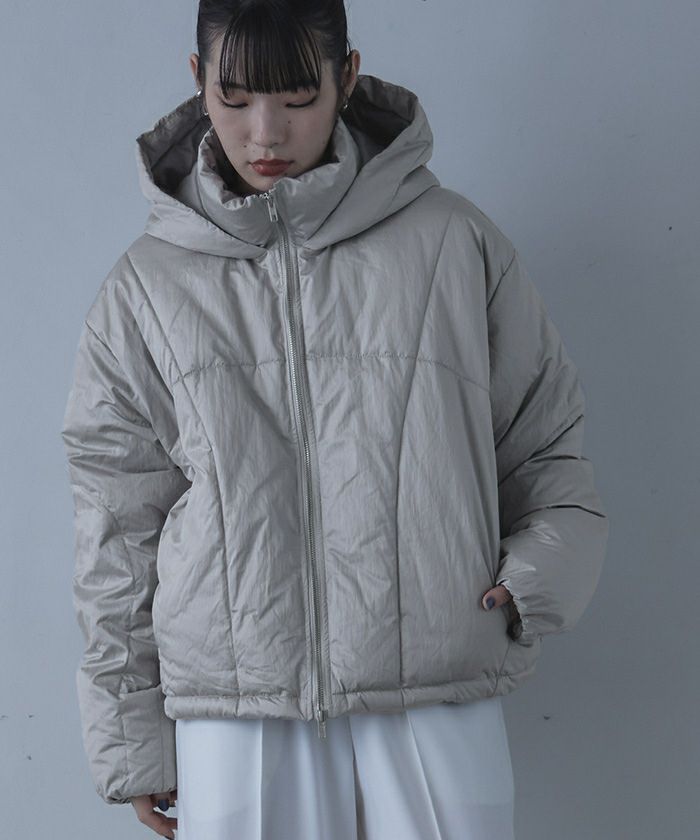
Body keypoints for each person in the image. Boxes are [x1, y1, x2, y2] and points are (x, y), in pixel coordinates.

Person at [60, 1, 609, 838]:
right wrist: (131, 733)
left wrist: (533, 582)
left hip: (431, 682)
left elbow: (545, 440)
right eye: (235, 99)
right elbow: (116, 530)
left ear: (347, 77)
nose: (266, 132)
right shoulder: (145, 287)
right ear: (197, 81)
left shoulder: (452, 243)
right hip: (234, 701)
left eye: (298, 97)